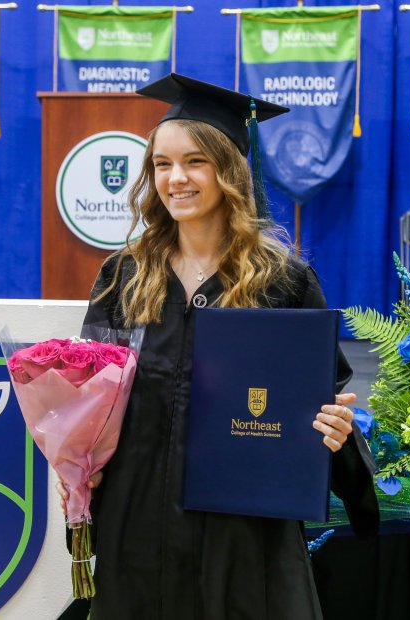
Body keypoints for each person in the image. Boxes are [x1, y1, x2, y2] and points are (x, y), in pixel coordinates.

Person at [63, 73, 379, 619]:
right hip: (138, 524)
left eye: (195, 162)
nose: (175, 178)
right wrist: (76, 452)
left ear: (230, 170)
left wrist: (334, 430)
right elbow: (91, 402)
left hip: (243, 532)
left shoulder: (284, 282)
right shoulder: (125, 276)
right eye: (162, 164)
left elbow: (319, 404)